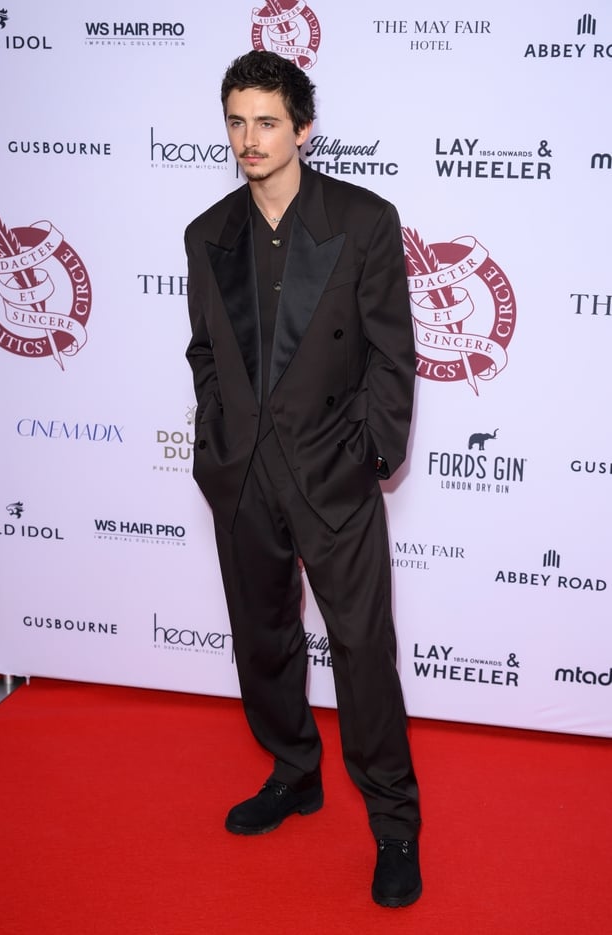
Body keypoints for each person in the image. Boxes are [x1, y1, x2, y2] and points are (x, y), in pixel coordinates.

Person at [184, 50, 421, 909]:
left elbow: (394, 358)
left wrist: (365, 455)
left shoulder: (362, 221)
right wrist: (216, 443)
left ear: (303, 129)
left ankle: (395, 823)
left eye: (267, 122)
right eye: (237, 122)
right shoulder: (206, 232)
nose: (250, 140)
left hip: (333, 473)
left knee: (363, 653)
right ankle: (294, 771)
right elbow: (205, 350)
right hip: (242, 478)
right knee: (264, 640)